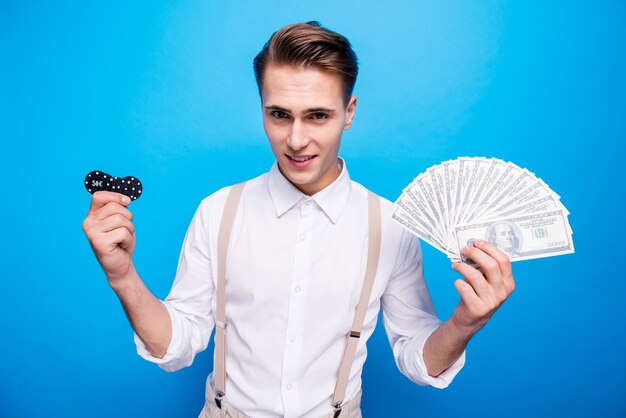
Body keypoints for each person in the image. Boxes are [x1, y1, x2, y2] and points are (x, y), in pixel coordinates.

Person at [82, 21, 516, 418]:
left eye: (318, 116)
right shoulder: (218, 211)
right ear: (262, 108)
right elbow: (174, 347)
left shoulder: (391, 224)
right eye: (279, 114)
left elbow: (417, 360)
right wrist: (122, 275)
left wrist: (464, 323)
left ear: (349, 112)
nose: (295, 139)